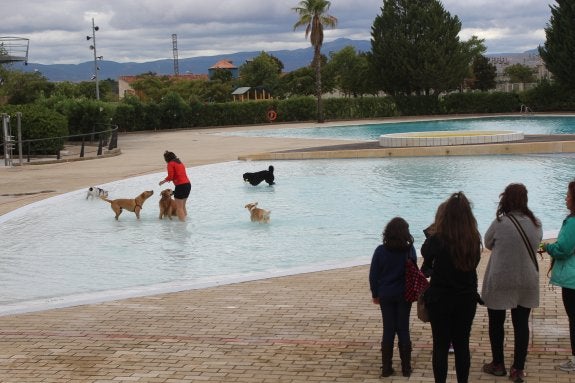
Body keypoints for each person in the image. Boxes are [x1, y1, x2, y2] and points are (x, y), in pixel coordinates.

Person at [481, 183, 542, 383]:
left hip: (501, 278)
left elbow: (487, 242)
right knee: (521, 324)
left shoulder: (500, 222)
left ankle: (498, 364)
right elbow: (536, 243)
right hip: (526, 280)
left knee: (496, 323)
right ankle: (518, 368)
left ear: (505, 199)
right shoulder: (536, 224)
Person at [421, 192, 482, 383]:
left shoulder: (438, 238)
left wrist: (434, 229)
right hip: (466, 297)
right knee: (462, 344)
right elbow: (475, 262)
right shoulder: (473, 238)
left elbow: (426, 255)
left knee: (440, 345)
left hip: (440, 298)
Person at [369, 217, 417, 378]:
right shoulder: (410, 250)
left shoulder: (380, 251)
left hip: (386, 294)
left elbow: (373, 275)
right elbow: (414, 271)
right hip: (405, 294)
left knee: (388, 329)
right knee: (403, 328)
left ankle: (387, 368)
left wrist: (375, 294)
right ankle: (406, 368)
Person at [541, 180, 575, 372]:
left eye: (568, 195)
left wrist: (547, 247)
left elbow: (563, 249)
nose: (565, 198)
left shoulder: (573, 222)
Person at [159, 150, 191, 221]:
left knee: (179, 207)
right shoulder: (180, 163)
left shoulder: (170, 164)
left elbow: (170, 176)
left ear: (167, 159)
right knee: (183, 206)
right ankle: (186, 222)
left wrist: (163, 181)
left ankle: (182, 226)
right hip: (188, 185)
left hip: (180, 186)